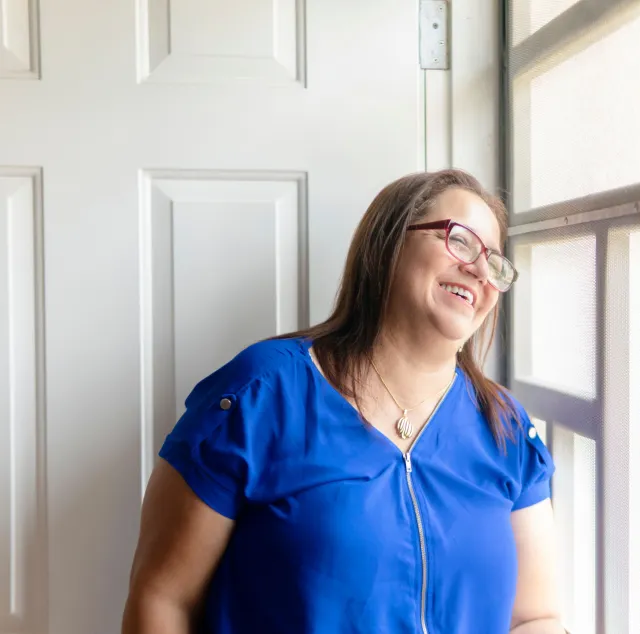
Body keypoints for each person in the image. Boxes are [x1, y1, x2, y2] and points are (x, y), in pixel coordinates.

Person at [122, 169, 564, 634]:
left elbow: (536, 617)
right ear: (389, 242)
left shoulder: (506, 427)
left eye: (494, 262)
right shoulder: (260, 393)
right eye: (461, 241)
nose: (479, 270)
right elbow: (162, 598)